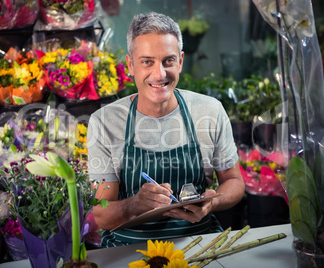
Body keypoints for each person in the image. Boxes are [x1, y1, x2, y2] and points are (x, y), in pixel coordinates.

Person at [87, 11, 245, 247]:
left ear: (180, 61)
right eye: (147, 62)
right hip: (128, 251)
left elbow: (234, 181)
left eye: (168, 61)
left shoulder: (210, 111)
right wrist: (135, 204)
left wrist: (213, 203)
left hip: (199, 244)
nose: (159, 74)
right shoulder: (104, 122)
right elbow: (102, 215)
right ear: (131, 64)